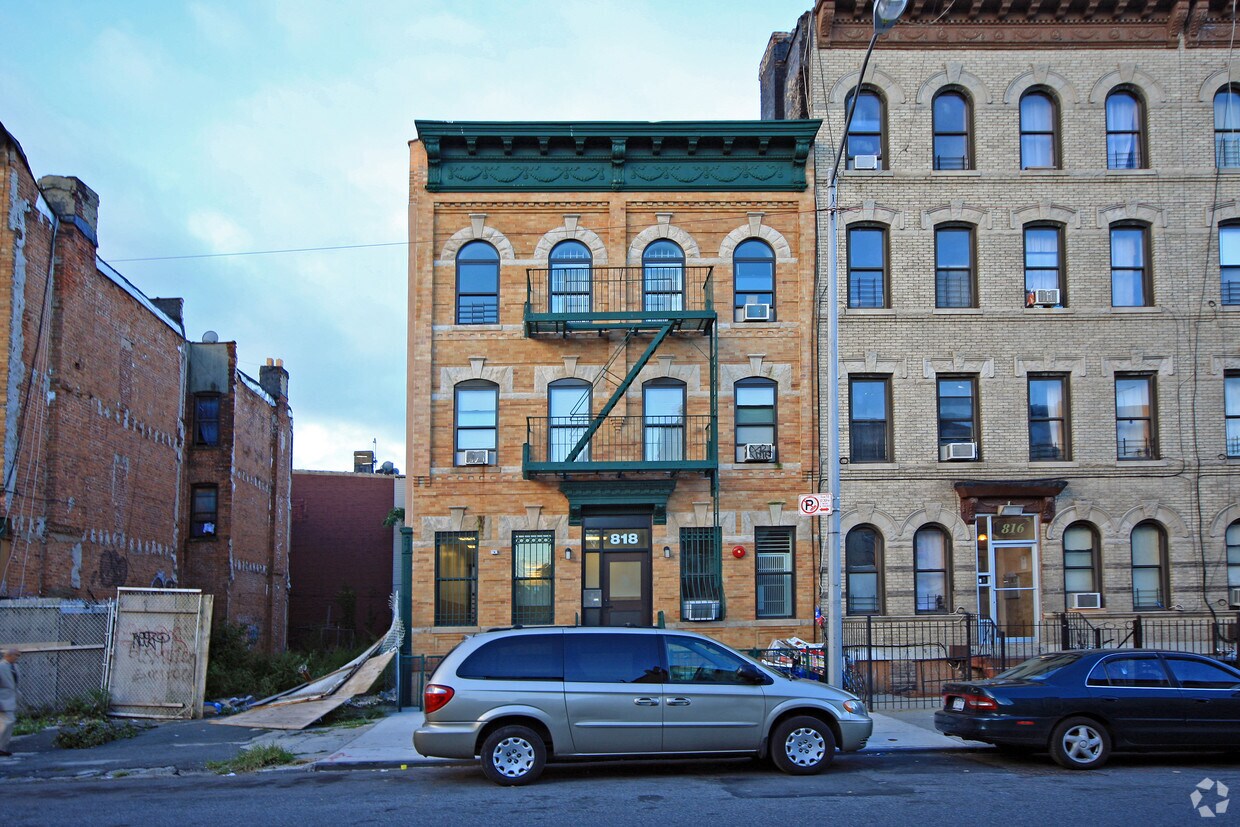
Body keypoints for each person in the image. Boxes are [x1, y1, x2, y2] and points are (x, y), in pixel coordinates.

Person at [0, 647, 20, 757]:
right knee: (8, 722)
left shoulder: (14, 667)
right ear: (8, 655)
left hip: (10, 699)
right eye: (16, 655)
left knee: (6, 723)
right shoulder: (1, 666)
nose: (17, 657)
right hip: (2, 699)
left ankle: (2, 747)